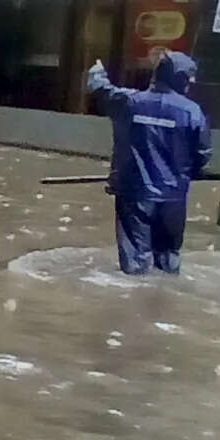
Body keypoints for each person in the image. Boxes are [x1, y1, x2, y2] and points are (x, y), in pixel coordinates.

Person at [87, 53, 211, 276]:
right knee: (168, 259)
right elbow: (202, 154)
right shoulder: (192, 112)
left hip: (135, 196)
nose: (191, 84)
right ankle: (164, 305)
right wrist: (189, 171)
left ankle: (134, 305)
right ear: (180, 79)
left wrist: (97, 70)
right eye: (188, 78)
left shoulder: (129, 102)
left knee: (136, 263)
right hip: (174, 198)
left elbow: (99, 88)